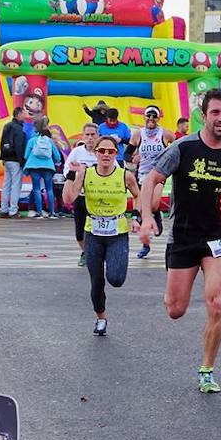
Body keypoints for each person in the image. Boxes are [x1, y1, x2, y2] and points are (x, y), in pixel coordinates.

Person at [138, 89, 221, 394]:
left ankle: (207, 370)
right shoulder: (184, 147)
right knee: (175, 309)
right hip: (184, 236)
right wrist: (147, 217)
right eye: (216, 113)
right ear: (204, 115)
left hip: (219, 239)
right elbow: (151, 179)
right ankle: (175, 288)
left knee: (218, 302)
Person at [63, 136, 140, 336]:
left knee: (115, 278)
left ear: (116, 154)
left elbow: (138, 196)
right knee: (96, 280)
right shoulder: (86, 173)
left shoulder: (125, 176)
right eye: (102, 151)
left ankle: (115, 263)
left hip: (117, 233)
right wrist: (73, 175)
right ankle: (101, 318)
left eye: (110, 151)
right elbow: (70, 198)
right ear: (95, 153)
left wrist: (136, 217)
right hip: (93, 233)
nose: (106, 155)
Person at [127, 104, 175, 258]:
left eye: (154, 116)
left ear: (158, 118)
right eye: (149, 116)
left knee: (153, 204)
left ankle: (157, 214)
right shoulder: (138, 134)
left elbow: (178, 149)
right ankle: (145, 244)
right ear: (144, 117)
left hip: (159, 174)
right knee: (142, 210)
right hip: (143, 175)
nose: (151, 119)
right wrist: (134, 158)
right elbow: (126, 155)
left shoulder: (165, 134)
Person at [64, 123, 100, 265]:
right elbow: (67, 170)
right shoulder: (77, 152)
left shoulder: (104, 151)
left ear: (98, 136)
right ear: (83, 136)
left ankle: (96, 254)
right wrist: (76, 174)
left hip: (99, 197)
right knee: (80, 230)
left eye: (93, 135)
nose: (90, 138)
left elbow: (115, 169)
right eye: (87, 135)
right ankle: (85, 251)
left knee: (98, 229)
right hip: (81, 196)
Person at [23, 124, 62, 218]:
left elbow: (25, 155)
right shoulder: (50, 141)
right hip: (48, 167)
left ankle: (39, 212)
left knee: (36, 189)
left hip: (34, 166)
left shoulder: (32, 140)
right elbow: (57, 157)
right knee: (49, 189)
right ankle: (52, 212)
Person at [0, 107, 28, 218]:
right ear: (19, 114)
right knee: (16, 185)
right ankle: (13, 210)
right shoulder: (18, 128)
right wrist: (22, 161)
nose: (25, 116)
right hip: (16, 160)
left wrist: (3, 157)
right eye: (23, 113)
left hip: (7, 159)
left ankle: (4, 209)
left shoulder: (7, 126)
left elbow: (2, 142)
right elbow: (19, 145)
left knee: (6, 184)